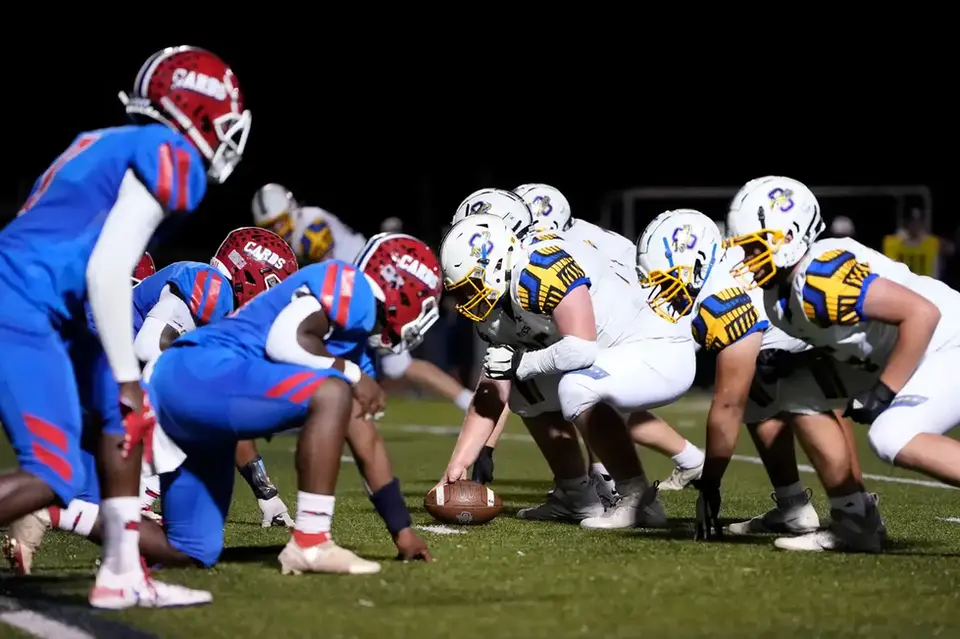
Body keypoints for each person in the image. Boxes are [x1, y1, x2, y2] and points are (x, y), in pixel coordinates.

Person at [0, 44, 248, 609]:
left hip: (40, 301)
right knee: (53, 472)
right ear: (195, 108)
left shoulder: (98, 140)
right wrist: (127, 374)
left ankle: (121, 574)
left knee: (119, 419)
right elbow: (107, 269)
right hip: (25, 304)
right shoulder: (170, 155)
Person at [134, 234, 439, 573]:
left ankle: (93, 521)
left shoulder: (355, 345)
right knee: (333, 390)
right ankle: (311, 541)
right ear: (402, 287)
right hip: (194, 373)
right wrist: (350, 373)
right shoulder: (351, 287)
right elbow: (285, 341)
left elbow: (366, 440)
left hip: (208, 402)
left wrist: (402, 530)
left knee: (191, 552)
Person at [2, 229, 297, 575]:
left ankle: (45, 517)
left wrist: (264, 491)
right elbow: (149, 348)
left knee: (80, 499)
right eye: (275, 287)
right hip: (86, 370)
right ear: (251, 274)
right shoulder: (211, 286)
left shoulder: (221, 312)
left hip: (86, 379)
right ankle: (139, 505)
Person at [435, 189, 697, 530]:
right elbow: (493, 385)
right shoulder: (499, 298)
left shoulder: (542, 268)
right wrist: (458, 464)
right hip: (612, 353)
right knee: (524, 390)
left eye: (468, 288)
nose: (463, 301)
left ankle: (638, 499)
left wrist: (521, 365)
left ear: (496, 263)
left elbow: (581, 349)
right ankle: (575, 494)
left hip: (657, 348)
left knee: (577, 387)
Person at [722, 175, 960, 550]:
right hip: (903, 348)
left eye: (752, 247)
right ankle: (855, 520)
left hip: (945, 342)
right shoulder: (780, 295)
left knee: (891, 435)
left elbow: (921, 314)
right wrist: (798, 360)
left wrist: (885, 390)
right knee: (798, 389)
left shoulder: (820, 277)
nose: (745, 259)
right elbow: (853, 336)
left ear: (789, 237)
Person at [637, 208, 884, 551]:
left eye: (667, 280)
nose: (664, 293)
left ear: (694, 264)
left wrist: (710, 485)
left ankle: (857, 510)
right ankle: (793, 507)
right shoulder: (724, 265)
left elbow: (728, 405)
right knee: (760, 392)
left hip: (861, 334)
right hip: (827, 332)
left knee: (815, 397)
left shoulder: (722, 297)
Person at [252, 184, 475, 413]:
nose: (277, 230)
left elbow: (324, 272)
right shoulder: (299, 228)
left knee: (386, 364)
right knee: (387, 366)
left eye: (279, 222)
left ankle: (468, 400)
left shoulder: (311, 226)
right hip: (356, 296)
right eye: (269, 227)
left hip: (365, 295)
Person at [882, 208, 952, 279]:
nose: (915, 225)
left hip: (926, 283)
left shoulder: (932, 243)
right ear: (906, 223)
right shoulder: (893, 243)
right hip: (901, 283)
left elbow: (950, 249)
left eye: (918, 222)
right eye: (912, 222)